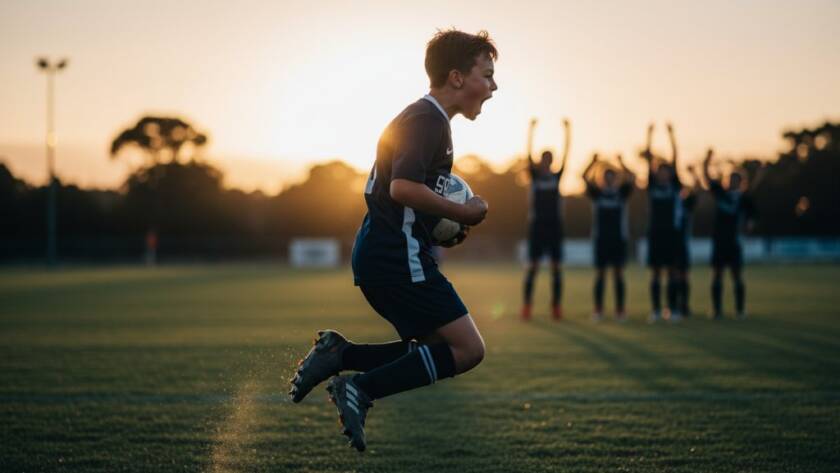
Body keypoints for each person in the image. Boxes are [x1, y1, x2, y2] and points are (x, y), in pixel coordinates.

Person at [287, 29, 497, 452]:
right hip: (397, 257)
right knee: (468, 349)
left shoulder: (421, 118)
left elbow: (401, 196)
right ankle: (360, 389)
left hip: (384, 252)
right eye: (487, 75)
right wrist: (463, 210)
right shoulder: (428, 120)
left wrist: (439, 224)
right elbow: (402, 188)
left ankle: (340, 355)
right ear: (457, 78)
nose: (493, 86)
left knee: (431, 348)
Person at [521, 117, 571, 321]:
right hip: (537, 226)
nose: (547, 163)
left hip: (555, 227)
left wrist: (568, 132)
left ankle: (556, 307)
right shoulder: (534, 176)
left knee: (556, 268)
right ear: (540, 161)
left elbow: (568, 153)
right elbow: (527, 154)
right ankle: (527, 306)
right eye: (544, 160)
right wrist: (531, 131)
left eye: (550, 160)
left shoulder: (557, 177)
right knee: (533, 267)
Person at [703, 149, 759, 319]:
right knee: (717, 275)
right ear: (727, 181)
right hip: (719, 240)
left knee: (736, 275)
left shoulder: (744, 199)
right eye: (731, 179)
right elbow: (707, 177)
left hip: (734, 241)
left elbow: (752, 216)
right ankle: (717, 310)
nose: (733, 182)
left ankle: (740, 310)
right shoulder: (721, 193)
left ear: (741, 182)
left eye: (737, 180)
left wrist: (750, 224)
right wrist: (707, 159)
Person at [582, 153, 635, 321]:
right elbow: (584, 177)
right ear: (602, 179)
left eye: (612, 177)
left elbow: (632, 177)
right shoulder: (597, 194)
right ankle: (598, 310)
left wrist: (622, 162)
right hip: (601, 239)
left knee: (619, 275)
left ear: (616, 178)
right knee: (600, 275)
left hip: (618, 239)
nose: (610, 180)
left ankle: (620, 310)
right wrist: (593, 162)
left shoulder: (622, 193)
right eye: (607, 177)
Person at [640, 122, 683, 322]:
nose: (663, 174)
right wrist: (649, 135)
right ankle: (656, 310)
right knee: (656, 273)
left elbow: (676, 160)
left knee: (673, 273)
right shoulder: (652, 185)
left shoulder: (675, 186)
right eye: (660, 171)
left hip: (672, 233)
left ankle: (672, 309)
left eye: (667, 171)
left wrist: (672, 136)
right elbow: (648, 160)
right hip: (656, 232)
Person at [673, 164, 702, 317]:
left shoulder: (687, 203)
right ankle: (673, 306)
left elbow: (697, 188)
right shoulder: (669, 202)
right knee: (673, 277)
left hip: (682, 245)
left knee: (683, 276)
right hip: (670, 245)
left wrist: (694, 173)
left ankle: (684, 306)